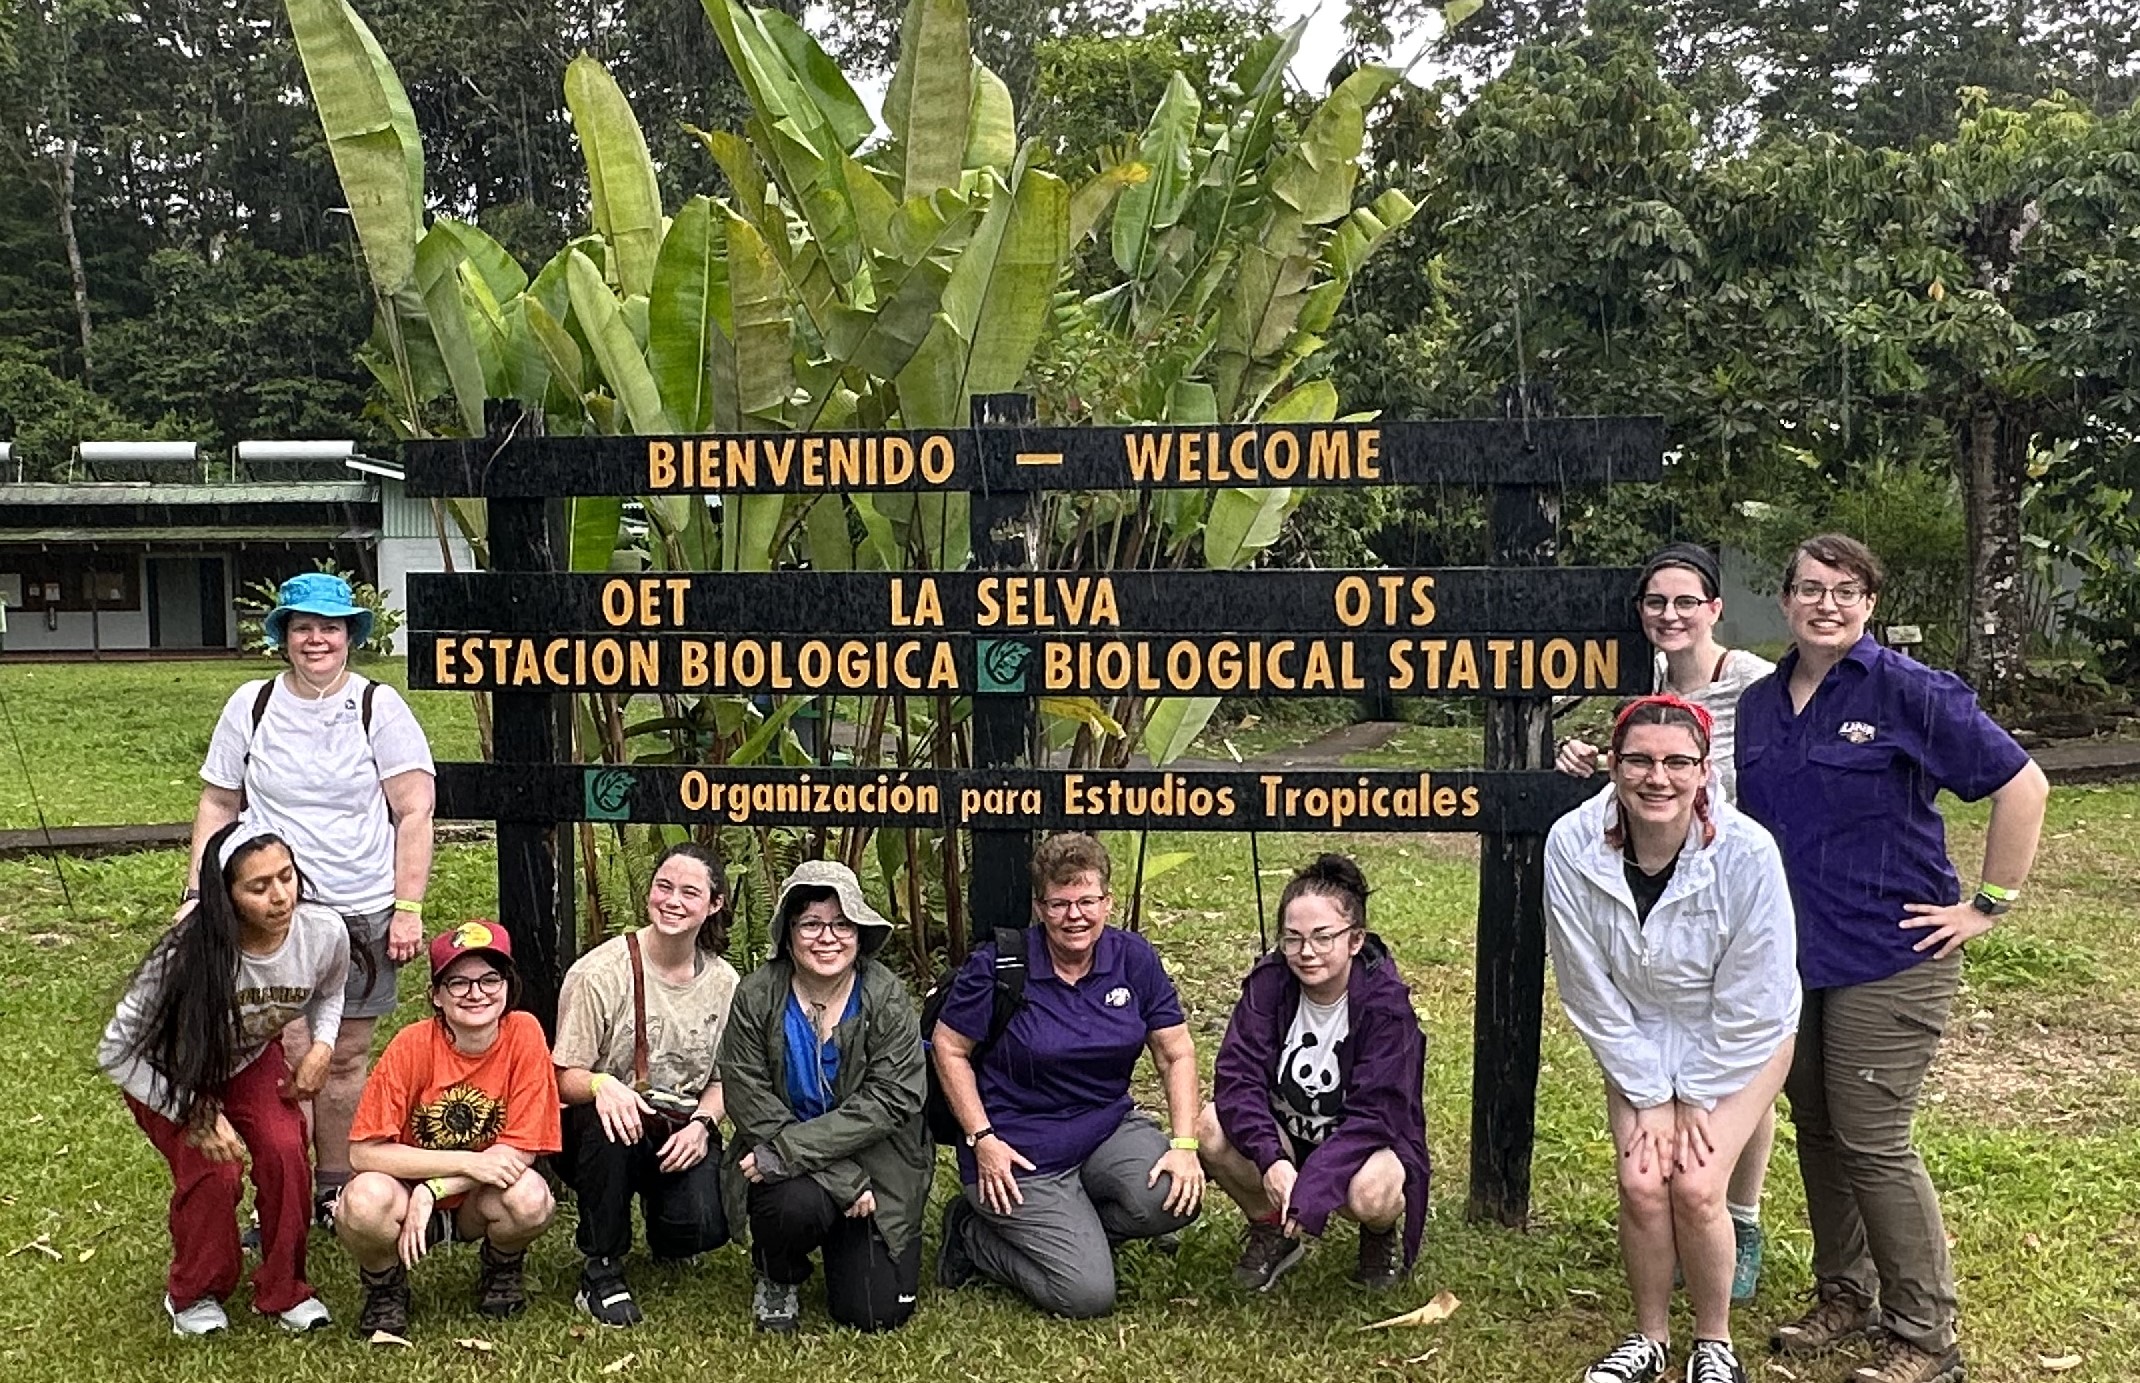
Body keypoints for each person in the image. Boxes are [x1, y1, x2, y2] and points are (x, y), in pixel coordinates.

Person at [1736, 534, 2048, 1383]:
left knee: (1873, 1138)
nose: (1825, 604)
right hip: (1794, 961)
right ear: (1786, 600)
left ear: (1869, 602)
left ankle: (1927, 1335)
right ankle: (1845, 1291)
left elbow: (2023, 786)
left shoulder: (1910, 692)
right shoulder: (1762, 705)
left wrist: (1988, 904)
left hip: (1892, 952)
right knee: (1820, 1133)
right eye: (1809, 589)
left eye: (1845, 590)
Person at [1545, 696, 1800, 1383]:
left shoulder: (1747, 852)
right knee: (1639, 1180)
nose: (1657, 777)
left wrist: (1694, 1095)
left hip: (1740, 1036)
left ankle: (1713, 1341)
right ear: (1614, 764)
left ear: (1703, 770)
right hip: (1637, 1028)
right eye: (1639, 760)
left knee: (1693, 1183)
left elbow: (1757, 996)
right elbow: (1585, 984)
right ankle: (1650, 1335)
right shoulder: (1571, 842)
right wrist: (1651, 1091)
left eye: (1677, 762)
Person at [1556, 542, 1781, 1299]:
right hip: (1657, 884)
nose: (1671, 614)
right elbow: (1636, 754)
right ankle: (1675, 1257)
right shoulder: (1645, 683)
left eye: (1687, 601)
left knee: (1741, 1082)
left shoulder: (1751, 683)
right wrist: (1586, 758)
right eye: (1657, 602)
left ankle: (1737, 1217)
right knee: (1657, 1167)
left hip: (1735, 880)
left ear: (1716, 608)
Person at [186, 570, 437, 1227]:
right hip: (276, 908)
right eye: (303, 627)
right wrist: (196, 891)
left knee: (347, 1053)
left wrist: (407, 907)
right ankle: (282, 1193)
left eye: (330, 627)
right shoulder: (253, 704)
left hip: (362, 906)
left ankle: (333, 1186)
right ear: (284, 637)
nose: (316, 639)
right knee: (286, 1052)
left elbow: (414, 810)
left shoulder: (380, 707)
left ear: (350, 634)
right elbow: (218, 799)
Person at [931, 832, 1205, 1319]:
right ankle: (971, 1236)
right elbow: (949, 1049)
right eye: (1059, 904)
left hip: (1105, 1130)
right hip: (1016, 1150)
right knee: (1086, 1295)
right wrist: (982, 1138)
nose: (1074, 916)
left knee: (1174, 1199)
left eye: (1087, 901)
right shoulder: (999, 966)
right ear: (1039, 907)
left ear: (1107, 902)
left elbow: (1175, 1053)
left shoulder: (1133, 958)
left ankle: (1076, 1229)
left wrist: (1184, 1147)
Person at [98, 822, 351, 1335]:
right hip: (169, 1072)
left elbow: (331, 989)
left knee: (285, 1152)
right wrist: (193, 1111)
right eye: (258, 887)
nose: (281, 897)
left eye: (287, 877)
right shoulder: (183, 956)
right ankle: (195, 1294)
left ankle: (284, 1289)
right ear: (226, 897)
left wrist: (323, 1045)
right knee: (215, 1171)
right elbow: (114, 1051)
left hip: (248, 1060)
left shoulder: (323, 932)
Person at [1199, 854, 1430, 1294]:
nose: (1306, 953)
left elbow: (1378, 1116)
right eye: (1293, 938)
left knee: (1371, 1194)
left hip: (1362, 1144)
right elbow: (1237, 1078)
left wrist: (1314, 1189)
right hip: (1288, 1131)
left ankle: (1378, 1235)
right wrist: (1272, 1159)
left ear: (1356, 940)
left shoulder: (1388, 1008)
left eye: (1323, 938)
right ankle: (1272, 1230)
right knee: (1211, 1127)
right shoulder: (1269, 983)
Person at [719, 861, 931, 1334]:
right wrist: (838, 1176)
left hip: (877, 1161)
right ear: (789, 933)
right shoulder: (757, 995)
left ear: (859, 932)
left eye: (841, 924)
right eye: (811, 924)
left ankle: (854, 1245)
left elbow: (893, 1099)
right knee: (789, 1205)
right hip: (787, 1158)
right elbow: (746, 1093)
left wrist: (797, 1152)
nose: (827, 937)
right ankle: (779, 1273)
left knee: (875, 1314)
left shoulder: (886, 995)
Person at [336, 921, 561, 1337]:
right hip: (403, 1194)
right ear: (436, 996)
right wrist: (462, 1165)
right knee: (362, 1202)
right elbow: (364, 1153)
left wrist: (435, 1188)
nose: (476, 994)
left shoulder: (525, 1034)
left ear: (508, 986)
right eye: (458, 983)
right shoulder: (411, 1044)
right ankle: (385, 1285)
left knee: (531, 1198)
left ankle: (502, 1265)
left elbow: (521, 1151)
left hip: (478, 1197)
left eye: (490, 979)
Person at [552, 843, 740, 1327]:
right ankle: (602, 1265)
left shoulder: (725, 983)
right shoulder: (598, 974)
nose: (673, 901)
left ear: (714, 905)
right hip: (601, 1132)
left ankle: (667, 1224)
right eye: (663, 887)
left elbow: (724, 1079)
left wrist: (702, 1124)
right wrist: (600, 1085)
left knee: (701, 1224)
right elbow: (558, 1079)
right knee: (609, 1118)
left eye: (690, 892)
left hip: (677, 1127)